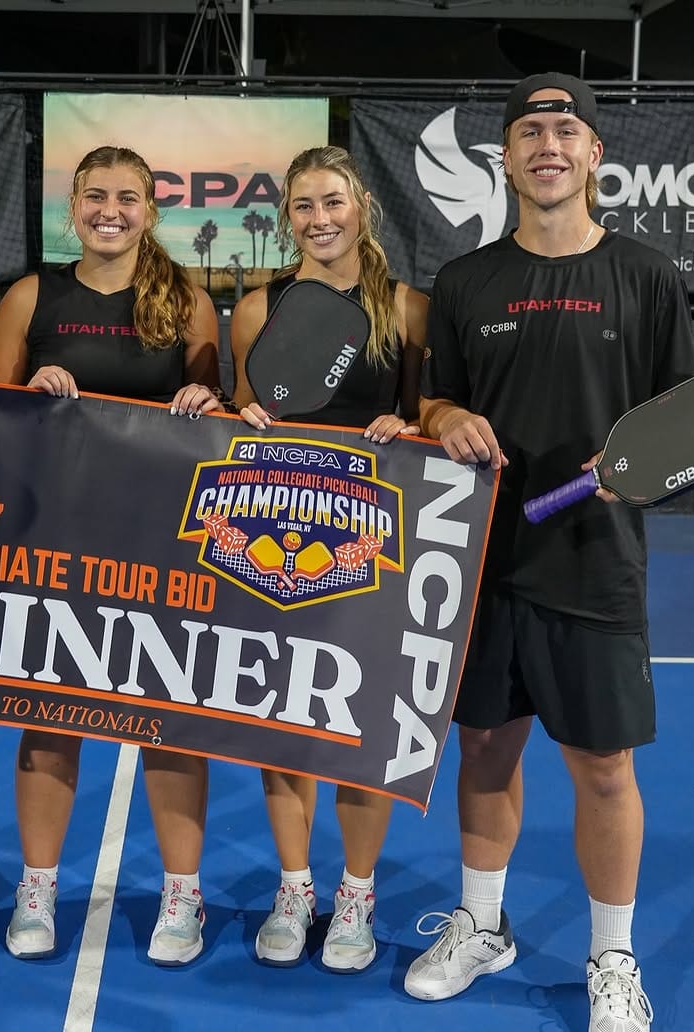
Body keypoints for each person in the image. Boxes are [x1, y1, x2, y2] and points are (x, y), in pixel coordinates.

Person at [403, 73, 694, 1032]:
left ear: (594, 154)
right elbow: (435, 399)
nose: (547, 148)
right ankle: (482, 926)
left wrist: (642, 473)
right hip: (481, 559)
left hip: (595, 561)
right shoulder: (465, 281)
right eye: (529, 133)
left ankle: (612, 958)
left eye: (565, 133)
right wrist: (445, 418)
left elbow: (685, 422)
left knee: (603, 767)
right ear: (506, 158)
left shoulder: (645, 275)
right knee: (485, 746)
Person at [0, 145, 221, 967]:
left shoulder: (188, 302)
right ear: (73, 207)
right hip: (56, 542)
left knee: (171, 722)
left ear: (150, 211)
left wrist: (206, 397)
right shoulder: (30, 296)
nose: (109, 211)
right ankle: (38, 887)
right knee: (49, 720)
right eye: (94, 196)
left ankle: (183, 895)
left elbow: (218, 423)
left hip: (164, 548)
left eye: (126, 198)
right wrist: (29, 398)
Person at [229, 145, 428, 972]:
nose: (320, 219)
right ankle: (295, 886)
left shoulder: (407, 308)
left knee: (361, 729)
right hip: (277, 541)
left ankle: (356, 893)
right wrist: (239, 415)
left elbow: (427, 416)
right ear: (288, 218)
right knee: (283, 725)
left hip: (372, 543)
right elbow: (243, 421)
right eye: (304, 205)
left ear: (361, 208)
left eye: (333, 202)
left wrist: (410, 426)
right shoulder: (256, 308)